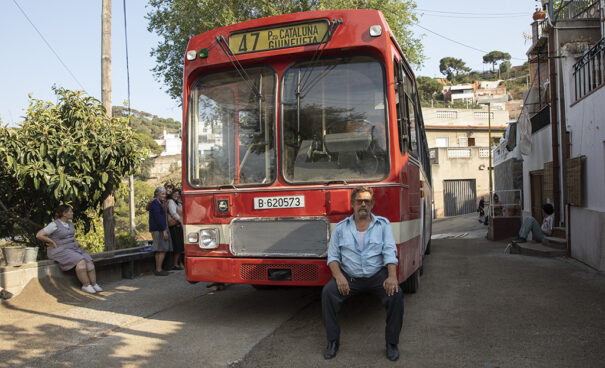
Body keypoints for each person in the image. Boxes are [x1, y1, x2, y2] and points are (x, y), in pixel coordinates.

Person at [321, 186, 403, 361]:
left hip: (376, 277)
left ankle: (392, 343)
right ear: (352, 204)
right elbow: (333, 257)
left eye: (367, 201)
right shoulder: (341, 228)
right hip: (350, 277)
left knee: (396, 294)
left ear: (372, 204)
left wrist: (392, 277)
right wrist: (339, 277)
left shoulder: (383, 225)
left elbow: (389, 252)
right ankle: (333, 341)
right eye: (359, 201)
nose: (363, 204)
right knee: (328, 293)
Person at [36, 205, 102, 294]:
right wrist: (51, 242)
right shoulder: (54, 224)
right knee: (81, 261)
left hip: (73, 248)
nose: (72, 213)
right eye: (70, 211)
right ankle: (86, 285)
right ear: (64, 214)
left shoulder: (70, 223)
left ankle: (94, 284)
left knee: (89, 261)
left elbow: (70, 236)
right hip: (59, 250)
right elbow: (39, 235)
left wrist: (77, 243)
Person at [148, 186, 172, 276]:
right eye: (162, 194)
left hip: (158, 228)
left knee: (160, 249)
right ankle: (158, 269)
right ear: (157, 194)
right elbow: (158, 218)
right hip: (158, 229)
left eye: (165, 194)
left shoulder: (158, 202)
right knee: (162, 249)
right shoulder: (155, 203)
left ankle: (159, 269)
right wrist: (163, 230)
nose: (164, 196)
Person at [167, 189, 185, 270]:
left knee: (180, 246)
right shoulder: (171, 202)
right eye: (175, 194)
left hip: (178, 225)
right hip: (175, 226)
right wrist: (180, 221)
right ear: (171, 194)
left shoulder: (177, 202)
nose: (177, 195)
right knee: (177, 246)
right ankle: (175, 264)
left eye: (178, 194)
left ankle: (178, 263)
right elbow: (173, 213)